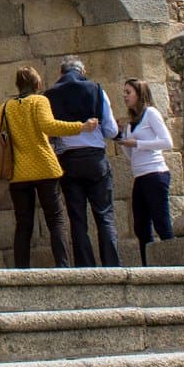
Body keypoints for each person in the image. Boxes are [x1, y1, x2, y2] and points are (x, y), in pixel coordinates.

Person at [0, 66, 98, 267]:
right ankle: (63, 267)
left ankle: (21, 271)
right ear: (38, 84)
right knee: (56, 221)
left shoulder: (6, 107)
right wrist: (82, 127)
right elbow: (49, 126)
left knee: (23, 224)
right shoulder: (39, 101)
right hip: (45, 168)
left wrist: (5, 128)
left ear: (18, 85)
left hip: (18, 174)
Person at [45, 56, 122, 267]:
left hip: (68, 160)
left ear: (61, 73)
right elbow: (111, 130)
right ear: (82, 71)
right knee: (104, 214)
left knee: (77, 218)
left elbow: (50, 132)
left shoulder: (50, 96)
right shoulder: (96, 89)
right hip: (95, 158)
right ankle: (112, 265)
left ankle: (85, 267)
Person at [116, 78, 175, 265]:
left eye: (128, 92)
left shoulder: (151, 113)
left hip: (155, 173)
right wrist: (122, 140)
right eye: (124, 92)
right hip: (140, 176)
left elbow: (167, 142)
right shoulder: (131, 123)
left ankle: (173, 264)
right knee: (141, 227)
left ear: (139, 94)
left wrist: (138, 143)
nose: (125, 96)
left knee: (161, 222)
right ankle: (148, 265)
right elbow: (131, 155)